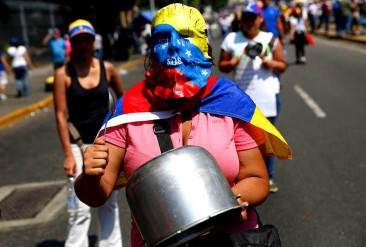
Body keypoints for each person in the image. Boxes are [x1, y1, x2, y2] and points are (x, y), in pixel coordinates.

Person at [75, 4, 291, 247]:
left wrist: (228, 202)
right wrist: (89, 176)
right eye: (162, 38)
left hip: (231, 239)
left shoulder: (228, 101)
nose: (175, 46)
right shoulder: (129, 111)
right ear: (150, 53)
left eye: (187, 36)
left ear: (207, 49)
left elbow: (256, 178)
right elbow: (97, 194)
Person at [53, 19, 124, 247]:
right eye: (78, 40)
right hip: (78, 144)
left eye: (87, 39)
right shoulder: (63, 74)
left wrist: (123, 137)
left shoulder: (108, 68)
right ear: (71, 43)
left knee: (108, 201)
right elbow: (61, 115)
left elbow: (123, 102)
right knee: (79, 209)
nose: (83, 44)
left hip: (106, 144)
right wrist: (67, 154)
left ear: (94, 41)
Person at [218, 1, 287, 193]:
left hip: (267, 97)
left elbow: (283, 65)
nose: (249, 23)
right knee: (241, 141)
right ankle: (245, 179)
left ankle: (269, 177)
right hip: (241, 100)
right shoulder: (231, 39)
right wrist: (231, 62)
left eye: (252, 19)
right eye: (245, 19)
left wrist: (270, 63)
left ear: (260, 19)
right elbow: (221, 65)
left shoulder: (270, 39)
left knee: (267, 139)